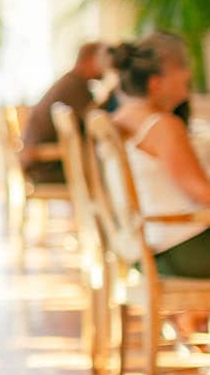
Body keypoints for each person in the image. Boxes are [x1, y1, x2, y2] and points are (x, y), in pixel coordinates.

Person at [109, 35, 210, 277]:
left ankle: (190, 315)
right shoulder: (162, 125)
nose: (188, 75)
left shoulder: (120, 117)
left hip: (145, 248)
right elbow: (200, 190)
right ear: (156, 83)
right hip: (180, 249)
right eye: (182, 69)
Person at [22, 41, 107, 183]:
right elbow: (95, 126)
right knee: (107, 172)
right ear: (91, 60)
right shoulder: (75, 87)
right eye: (103, 60)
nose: (105, 67)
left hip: (41, 166)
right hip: (47, 168)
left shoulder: (71, 82)